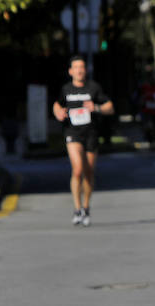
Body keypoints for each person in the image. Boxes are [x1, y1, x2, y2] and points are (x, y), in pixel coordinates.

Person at [52, 55, 114, 226]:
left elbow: (110, 107)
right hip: (72, 133)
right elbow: (56, 104)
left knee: (88, 173)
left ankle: (86, 207)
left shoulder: (93, 88)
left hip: (91, 133)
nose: (79, 70)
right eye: (76, 67)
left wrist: (96, 107)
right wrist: (58, 112)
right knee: (77, 169)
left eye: (82, 67)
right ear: (70, 71)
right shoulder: (66, 89)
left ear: (85, 70)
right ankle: (77, 208)